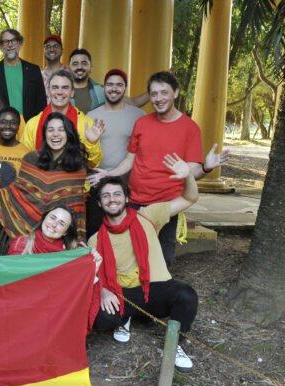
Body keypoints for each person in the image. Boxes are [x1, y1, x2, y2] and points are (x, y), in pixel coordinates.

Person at [87, 71, 230, 267]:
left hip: (167, 206)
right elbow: (129, 160)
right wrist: (108, 174)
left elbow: (191, 173)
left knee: (160, 261)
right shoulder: (142, 122)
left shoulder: (190, 128)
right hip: (134, 202)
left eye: (164, 93)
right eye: (154, 94)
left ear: (176, 93)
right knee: (129, 259)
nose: (159, 98)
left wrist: (206, 167)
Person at [90, 166, 200, 372]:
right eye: (106, 196)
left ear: (126, 198)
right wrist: (103, 290)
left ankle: (175, 345)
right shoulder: (95, 240)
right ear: (99, 202)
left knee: (186, 295)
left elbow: (189, 199)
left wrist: (188, 176)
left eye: (116, 194)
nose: (111, 199)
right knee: (100, 318)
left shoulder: (149, 215)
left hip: (156, 288)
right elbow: (94, 275)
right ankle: (126, 317)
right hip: (125, 295)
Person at [0, 112, 89, 253]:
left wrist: (79, 239)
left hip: (58, 241)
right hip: (28, 239)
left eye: (61, 129)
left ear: (69, 134)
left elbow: (76, 206)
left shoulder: (78, 165)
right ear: (45, 135)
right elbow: (18, 191)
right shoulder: (31, 159)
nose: (55, 134)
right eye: (50, 130)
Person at [85, 69, 145, 235]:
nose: (114, 88)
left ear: (125, 88)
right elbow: (86, 151)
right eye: (110, 84)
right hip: (97, 180)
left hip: (127, 182)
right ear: (103, 88)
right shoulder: (91, 116)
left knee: (126, 230)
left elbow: (142, 152)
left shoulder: (138, 115)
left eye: (119, 85)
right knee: (95, 229)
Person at [22, 70, 104, 169]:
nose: (59, 92)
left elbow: (94, 164)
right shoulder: (33, 124)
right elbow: (24, 162)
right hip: (41, 181)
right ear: (48, 91)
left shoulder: (85, 123)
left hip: (75, 182)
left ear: (72, 92)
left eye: (65, 88)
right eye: (55, 88)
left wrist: (91, 144)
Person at [0, 29, 47, 121]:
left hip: (29, 128)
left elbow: (41, 102)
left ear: (20, 44)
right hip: (0, 128)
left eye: (14, 41)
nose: (10, 44)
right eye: (5, 42)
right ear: (1, 46)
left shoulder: (33, 70)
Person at [68, 48, 149, 113]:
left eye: (84, 63)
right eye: (75, 64)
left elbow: (133, 102)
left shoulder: (102, 90)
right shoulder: (61, 91)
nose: (79, 67)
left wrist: (154, 90)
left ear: (91, 68)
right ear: (69, 68)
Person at [7, 205, 81, 255]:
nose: (54, 225)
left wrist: (92, 256)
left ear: (66, 232)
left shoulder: (72, 253)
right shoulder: (21, 243)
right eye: (52, 218)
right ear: (44, 218)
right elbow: (8, 271)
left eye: (61, 223)